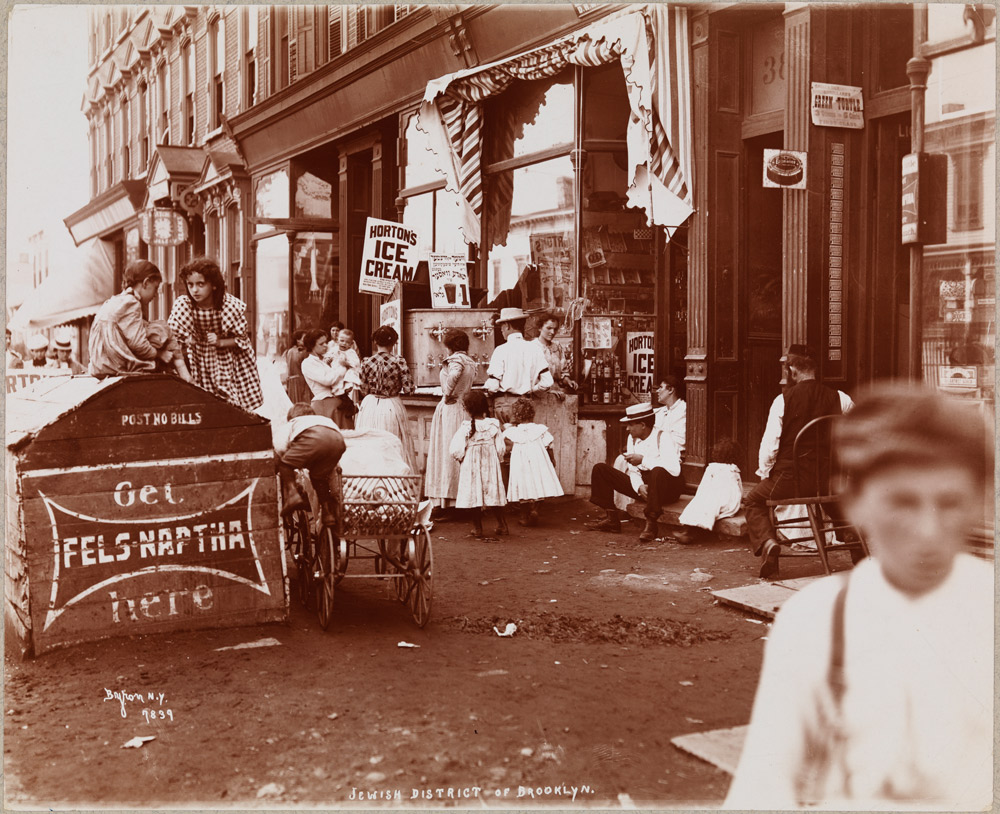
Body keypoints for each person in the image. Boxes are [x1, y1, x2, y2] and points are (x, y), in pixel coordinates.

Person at [725, 383, 994, 810]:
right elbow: (764, 789)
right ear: (855, 503)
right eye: (902, 502)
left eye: (950, 502)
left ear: (980, 501)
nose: (928, 530)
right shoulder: (816, 623)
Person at [745, 352, 844, 578]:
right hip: (827, 480)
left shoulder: (783, 400)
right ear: (815, 370)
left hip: (791, 480)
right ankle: (856, 547)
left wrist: (765, 473)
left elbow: (770, 446)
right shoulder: (840, 397)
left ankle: (769, 544)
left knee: (752, 501)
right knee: (833, 502)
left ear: (793, 371)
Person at [168, 257, 262, 411]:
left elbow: (242, 340)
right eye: (190, 285)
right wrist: (187, 338)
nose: (195, 290)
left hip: (227, 361)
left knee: (230, 404)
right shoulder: (184, 305)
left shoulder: (228, 306)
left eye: (200, 284)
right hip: (197, 360)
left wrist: (220, 342)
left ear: (213, 286)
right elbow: (173, 335)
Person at [586, 402, 685, 542]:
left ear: (643, 425)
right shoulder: (632, 439)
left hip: (667, 488)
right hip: (645, 488)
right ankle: (611, 518)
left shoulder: (664, 437)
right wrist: (639, 486)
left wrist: (644, 460)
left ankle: (651, 523)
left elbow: (674, 469)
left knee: (656, 472)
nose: (628, 428)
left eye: (631, 424)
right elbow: (633, 469)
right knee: (600, 469)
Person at [89, 260, 192, 381]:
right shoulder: (131, 303)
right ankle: (185, 374)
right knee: (163, 327)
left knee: (151, 328)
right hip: (117, 364)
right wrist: (159, 354)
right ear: (146, 283)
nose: (155, 295)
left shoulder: (115, 301)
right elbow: (138, 344)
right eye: (155, 288)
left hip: (101, 364)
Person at [613, 375, 687, 514]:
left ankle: (649, 517)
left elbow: (676, 443)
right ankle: (621, 509)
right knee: (622, 461)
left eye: (661, 388)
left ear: (671, 390)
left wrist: (645, 457)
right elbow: (649, 434)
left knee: (654, 471)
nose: (657, 391)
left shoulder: (683, 411)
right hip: (651, 455)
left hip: (671, 458)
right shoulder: (660, 411)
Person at [424, 328, 478, 510]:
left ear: (450, 346)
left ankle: (448, 500)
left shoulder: (455, 360)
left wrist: (447, 393)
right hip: (464, 408)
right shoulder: (470, 360)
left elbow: (455, 374)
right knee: (462, 450)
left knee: (449, 451)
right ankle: (461, 499)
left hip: (452, 408)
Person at [356, 324, 417, 474]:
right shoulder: (398, 361)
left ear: (375, 342)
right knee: (393, 443)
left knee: (369, 444)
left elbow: (363, 389)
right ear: (393, 343)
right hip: (391, 405)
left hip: (370, 406)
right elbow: (409, 388)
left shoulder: (366, 362)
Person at [274, 402, 347, 527]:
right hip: (338, 442)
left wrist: (281, 465)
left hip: (313, 439)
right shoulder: (323, 420)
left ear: (291, 417)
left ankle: (292, 496)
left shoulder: (293, 423)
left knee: (285, 464)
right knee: (317, 476)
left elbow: (279, 447)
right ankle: (327, 512)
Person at [449, 389, 508, 538]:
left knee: (473, 492)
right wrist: (497, 458)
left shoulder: (465, 428)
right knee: (493, 491)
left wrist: (461, 458)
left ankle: (478, 528)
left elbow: (455, 449)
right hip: (490, 463)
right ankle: (502, 524)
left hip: (471, 465)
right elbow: (501, 448)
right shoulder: (493, 425)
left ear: (468, 410)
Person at [502, 396, 563, 526]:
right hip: (538, 460)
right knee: (539, 484)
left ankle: (524, 516)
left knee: (523, 486)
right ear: (533, 414)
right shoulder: (539, 429)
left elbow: (506, 448)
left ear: (516, 415)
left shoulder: (512, 432)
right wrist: (552, 459)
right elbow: (549, 445)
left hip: (520, 463)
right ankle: (535, 509)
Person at [673, 439, 743, 543]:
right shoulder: (733, 469)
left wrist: (701, 497)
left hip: (718, 499)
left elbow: (703, 487)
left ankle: (691, 533)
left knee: (703, 505)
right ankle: (688, 532)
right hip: (729, 501)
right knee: (705, 506)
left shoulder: (713, 468)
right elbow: (738, 489)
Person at [483, 307, 554, 404]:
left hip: (505, 403)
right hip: (527, 403)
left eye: (502, 326)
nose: (501, 330)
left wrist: (488, 391)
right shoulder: (535, 349)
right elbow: (547, 382)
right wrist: (532, 389)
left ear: (507, 325)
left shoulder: (501, 350)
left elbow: (493, 386)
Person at [301, 329, 354, 430]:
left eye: (326, 342)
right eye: (321, 344)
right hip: (325, 404)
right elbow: (327, 380)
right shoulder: (308, 363)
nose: (325, 345)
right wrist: (343, 368)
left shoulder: (324, 360)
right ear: (312, 345)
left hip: (336, 404)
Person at [531, 313, 576, 394]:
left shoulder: (557, 347)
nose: (552, 332)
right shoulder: (532, 347)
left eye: (555, 329)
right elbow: (530, 377)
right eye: (549, 328)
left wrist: (568, 381)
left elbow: (563, 372)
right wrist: (549, 390)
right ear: (540, 328)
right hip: (539, 394)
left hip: (558, 393)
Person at [324, 327, 362, 408]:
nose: (344, 343)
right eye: (342, 341)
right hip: (336, 373)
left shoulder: (351, 352)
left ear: (351, 344)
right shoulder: (333, 350)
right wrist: (327, 361)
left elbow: (356, 364)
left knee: (349, 381)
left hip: (346, 376)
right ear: (337, 340)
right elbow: (326, 357)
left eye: (347, 342)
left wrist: (347, 363)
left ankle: (346, 400)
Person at [283, 330, 312, 404]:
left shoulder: (289, 351)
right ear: (298, 340)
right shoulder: (303, 352)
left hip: (292, 381)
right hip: (301, 381)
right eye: (304, 338)